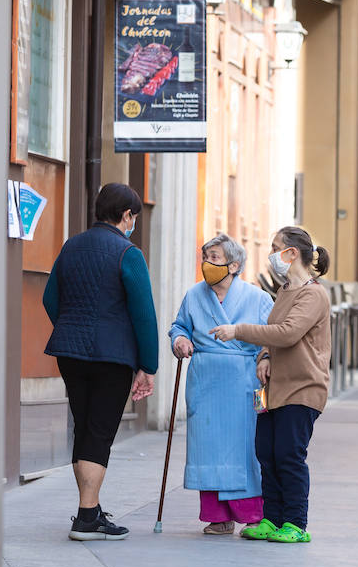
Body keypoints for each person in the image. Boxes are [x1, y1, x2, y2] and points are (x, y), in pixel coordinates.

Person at [42, 183, 158, 540]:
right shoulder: (128, 253)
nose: (133, 222)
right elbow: (143, 314)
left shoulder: (71, 246)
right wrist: (148, 365)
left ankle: (88, 509)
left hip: (70, 352)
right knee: (100, 431)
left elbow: (50, 299)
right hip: (111, 356)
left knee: (84, 426)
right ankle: (87, 516)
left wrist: (72, 327)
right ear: (127, 215)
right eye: (133, 217)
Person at [211, 227, 331, 543]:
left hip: (302, 387)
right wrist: (264, 356)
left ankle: (295, 523)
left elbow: (288, 333)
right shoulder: (285, 290)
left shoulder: (313, 293)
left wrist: (238, 331)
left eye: (276, 248)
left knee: (289, 455)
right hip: (272, 388)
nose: (271, 255)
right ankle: (272, 518)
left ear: (292, 253)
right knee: (267, 452)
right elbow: (272, 331)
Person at [169, 234, 273, 534]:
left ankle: (253, 515)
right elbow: (179, 325)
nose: (207, 263)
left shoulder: (258, 298)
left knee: (247, 446)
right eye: (206, 256)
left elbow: (272, 336)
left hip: (246, 379)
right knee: (208, 446)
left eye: (214, 257)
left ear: (234, 265)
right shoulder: (194, 295)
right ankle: (219, 516)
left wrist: (265, 357)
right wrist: (180, 339)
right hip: (206, 379)